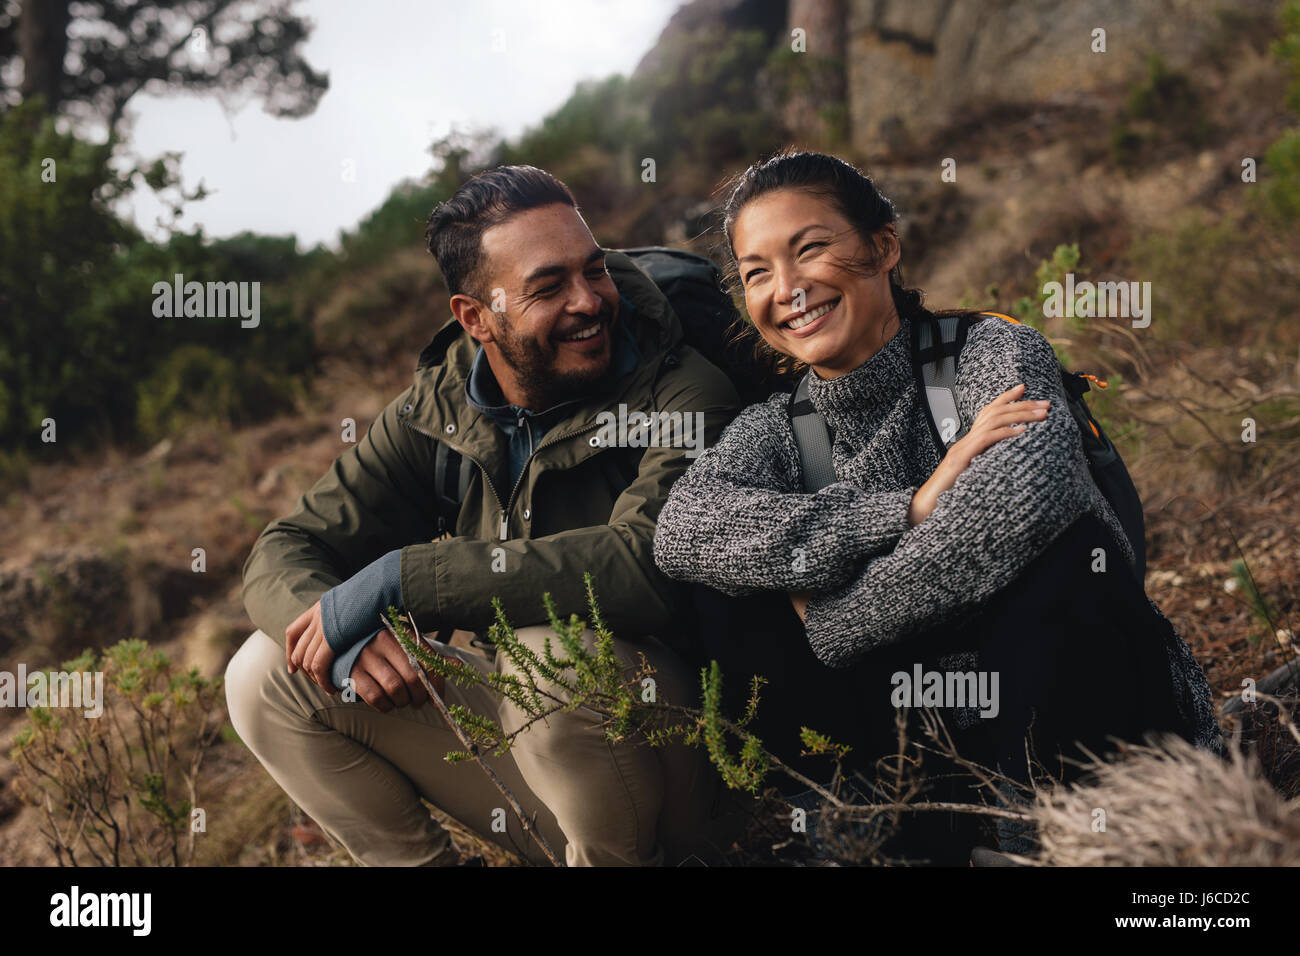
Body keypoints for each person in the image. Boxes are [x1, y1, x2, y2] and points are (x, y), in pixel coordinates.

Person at [651, 150, 1223, 862]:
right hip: (912, 735)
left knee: (1064, 556)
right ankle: (875, 836)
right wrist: (908, 509)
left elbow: (1024, 500)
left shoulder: (990, 354)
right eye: (758, 272)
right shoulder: (775, 428)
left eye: (812, 249)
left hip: (1069, 708)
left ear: (883, 246)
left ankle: (1046, 841)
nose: (788, 288)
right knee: (728, 593)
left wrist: (831, 618)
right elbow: (682, 529)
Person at [226, 164, 746, 866]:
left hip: (699, 764)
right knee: (267, 675)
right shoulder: (439, 408)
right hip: (549, 757)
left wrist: (406, 578)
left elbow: (649, 566)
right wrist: (342, 629)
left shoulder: (683, 391)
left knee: (554, 655)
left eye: (594, 270)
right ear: (476, 318)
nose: (590, 301)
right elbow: (286, 545)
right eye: (548, 286)